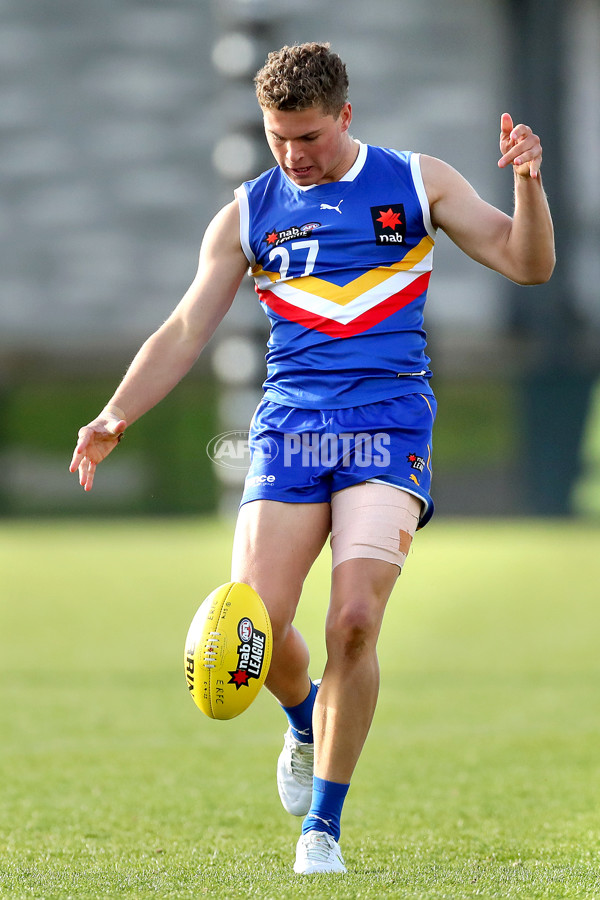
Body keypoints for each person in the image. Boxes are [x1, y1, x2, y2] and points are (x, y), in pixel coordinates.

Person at [70, 42, 554, 875]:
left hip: (390, 427)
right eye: (278, 138)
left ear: (346, 117)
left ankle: (321, 827)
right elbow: (186, 328)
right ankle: (303, 721)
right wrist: (118, 411)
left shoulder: (417, 182)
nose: (295, 155)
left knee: (355, 622)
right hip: (291, 431)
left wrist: (527, 183)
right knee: (258, 632)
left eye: (310, 138)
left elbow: (528, 263)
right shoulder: (247, 212)